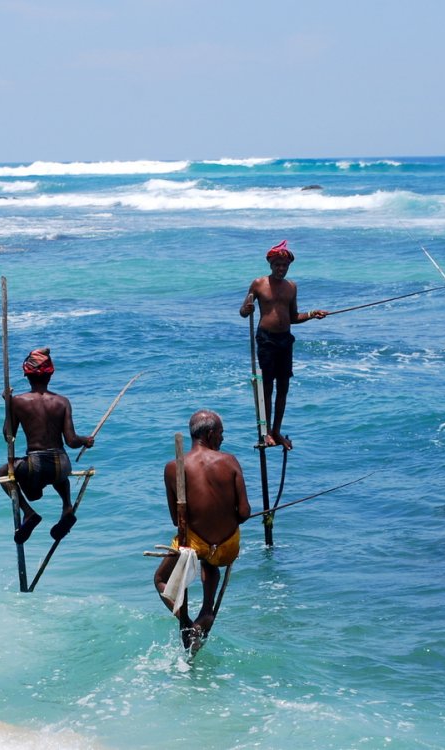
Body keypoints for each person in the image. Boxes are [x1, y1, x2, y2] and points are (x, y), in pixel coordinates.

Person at [153, 410, 251, 648]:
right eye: (221, 434)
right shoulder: (229, 461)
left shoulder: (172, 467)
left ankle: (185, 621)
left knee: (160, 579)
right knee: (211, 561)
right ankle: (205, 613)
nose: (222, 439)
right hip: (227, 547)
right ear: (210, 434)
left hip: (193, 546)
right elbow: (245, 513)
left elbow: (177, 520)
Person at [0, 347, 95, 544]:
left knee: (2, 473)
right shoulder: (63, 402)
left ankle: (29, 513)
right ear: (50, 375)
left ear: (27, 375)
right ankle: (67, 506)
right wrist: (86, 440)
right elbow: (71, 441)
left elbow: (9, 437)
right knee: (59, 473)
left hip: (36, 465)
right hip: (62, 464)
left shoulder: (18, 402)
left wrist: (7, 405)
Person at [239, 240, 328, 449]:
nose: (281, 269)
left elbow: (294, 317)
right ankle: (267, 431)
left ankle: (277, 431)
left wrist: (313, 314)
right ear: (271, 265)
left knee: (283, 388)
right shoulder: (258, 284)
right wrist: (248, 308)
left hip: (285, 340)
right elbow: (243, 312)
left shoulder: (291, 287)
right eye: (277, 265)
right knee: (267, 387)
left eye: (284, 266)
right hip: (266, 340)